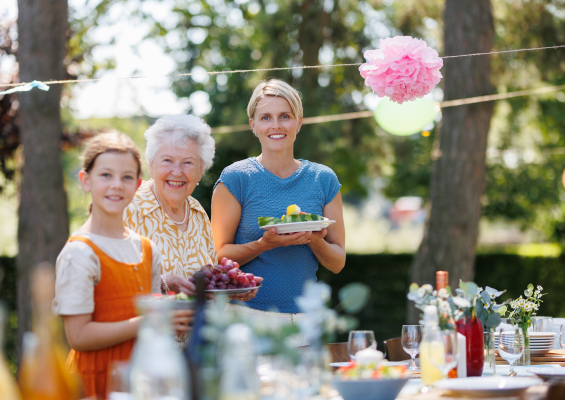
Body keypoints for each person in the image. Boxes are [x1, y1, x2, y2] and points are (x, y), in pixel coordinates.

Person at [53, 133, 191, 399]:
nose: (117, 185)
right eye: (106, 175)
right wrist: (151, 320)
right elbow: (78, 336)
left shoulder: (147, 248)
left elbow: (149, 313)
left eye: (127, 177)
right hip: (93, 384)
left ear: (138, 185)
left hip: (140, 381)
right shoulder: (80, 252)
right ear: (85, 180)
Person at [211, 79, 346, 322]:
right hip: (246, 317)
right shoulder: (236, 178)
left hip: (307, 320)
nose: (276, 125)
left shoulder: (323, 179)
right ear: (253, 124)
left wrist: (314, 240)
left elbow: (337, 263)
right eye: (265, 118)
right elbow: (218, 256)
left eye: (285, 116)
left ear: (299, 121)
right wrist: (265, 244)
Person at [123, 114, 260, 302]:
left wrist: (229, 289)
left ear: (200, 170)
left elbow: (208, 278)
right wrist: (164, 282)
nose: (177, 172)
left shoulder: (197, 212)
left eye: (188, 162)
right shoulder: (128, 209)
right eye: (167, 160)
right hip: (149, 330)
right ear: (151, 165)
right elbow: (113, 282)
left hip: (198, 330)